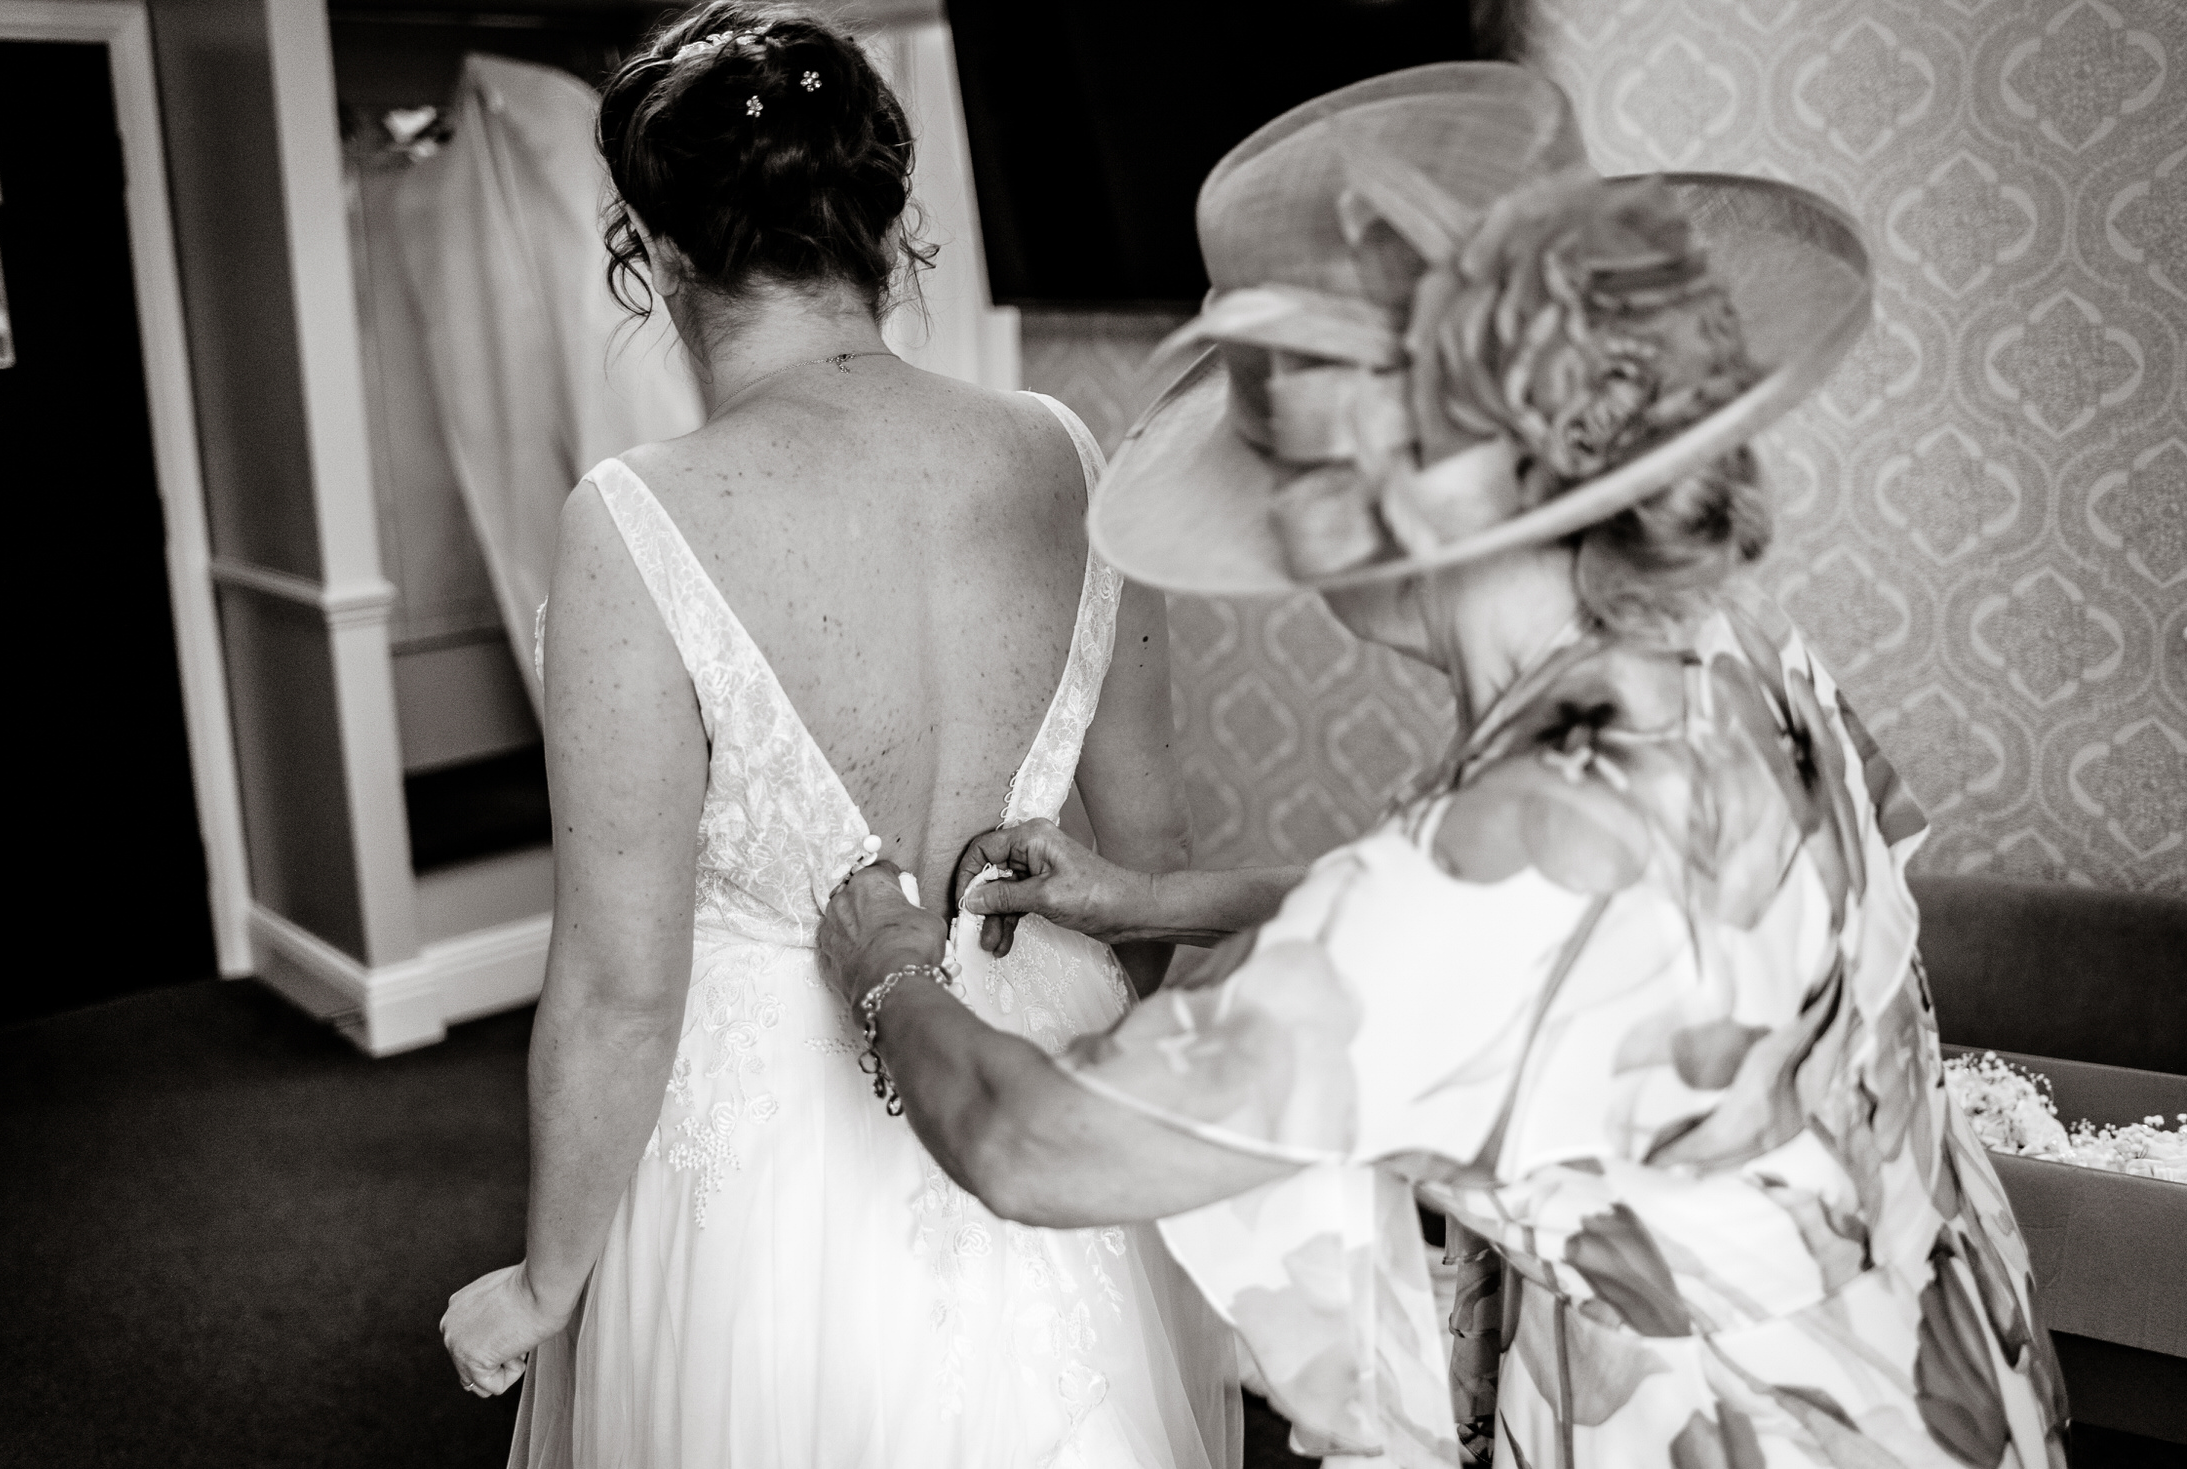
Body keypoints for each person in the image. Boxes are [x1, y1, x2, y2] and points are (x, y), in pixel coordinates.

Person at [818, 63, 2068, 1469]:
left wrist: (885, 967)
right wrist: (1144, 897)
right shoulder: (1723, 651)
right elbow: (1555, 947)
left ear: (1371, 501)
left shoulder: (1471, 888)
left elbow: (1029, 1140)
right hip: (1934, 1344)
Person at [438, 6, 1240, 1466]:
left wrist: (548, 1281)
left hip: (760, 1164)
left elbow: (621, 989)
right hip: (1042, 1092)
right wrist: (1034, 1030)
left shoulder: (635, 516)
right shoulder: (1065, 452)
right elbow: (1154, 864)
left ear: (659, 254)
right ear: (886, 230)